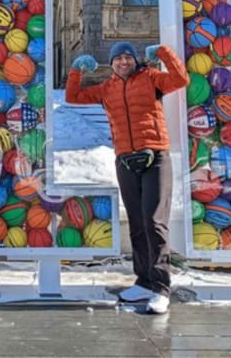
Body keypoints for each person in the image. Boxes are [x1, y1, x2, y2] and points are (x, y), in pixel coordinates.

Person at [65, 42, 188, 314]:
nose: (123, 62)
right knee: (137, 224)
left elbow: (181, 79)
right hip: (125, 160)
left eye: (127, 58)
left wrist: (164, 53)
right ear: (111, 63)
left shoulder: (151, 78)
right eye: (118, 58)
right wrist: (76, 70)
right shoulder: (107, 88)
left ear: (135, 60)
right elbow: (73, 96)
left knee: (155, 222)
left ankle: (161, 288)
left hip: (155, 157)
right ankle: (143, 281)